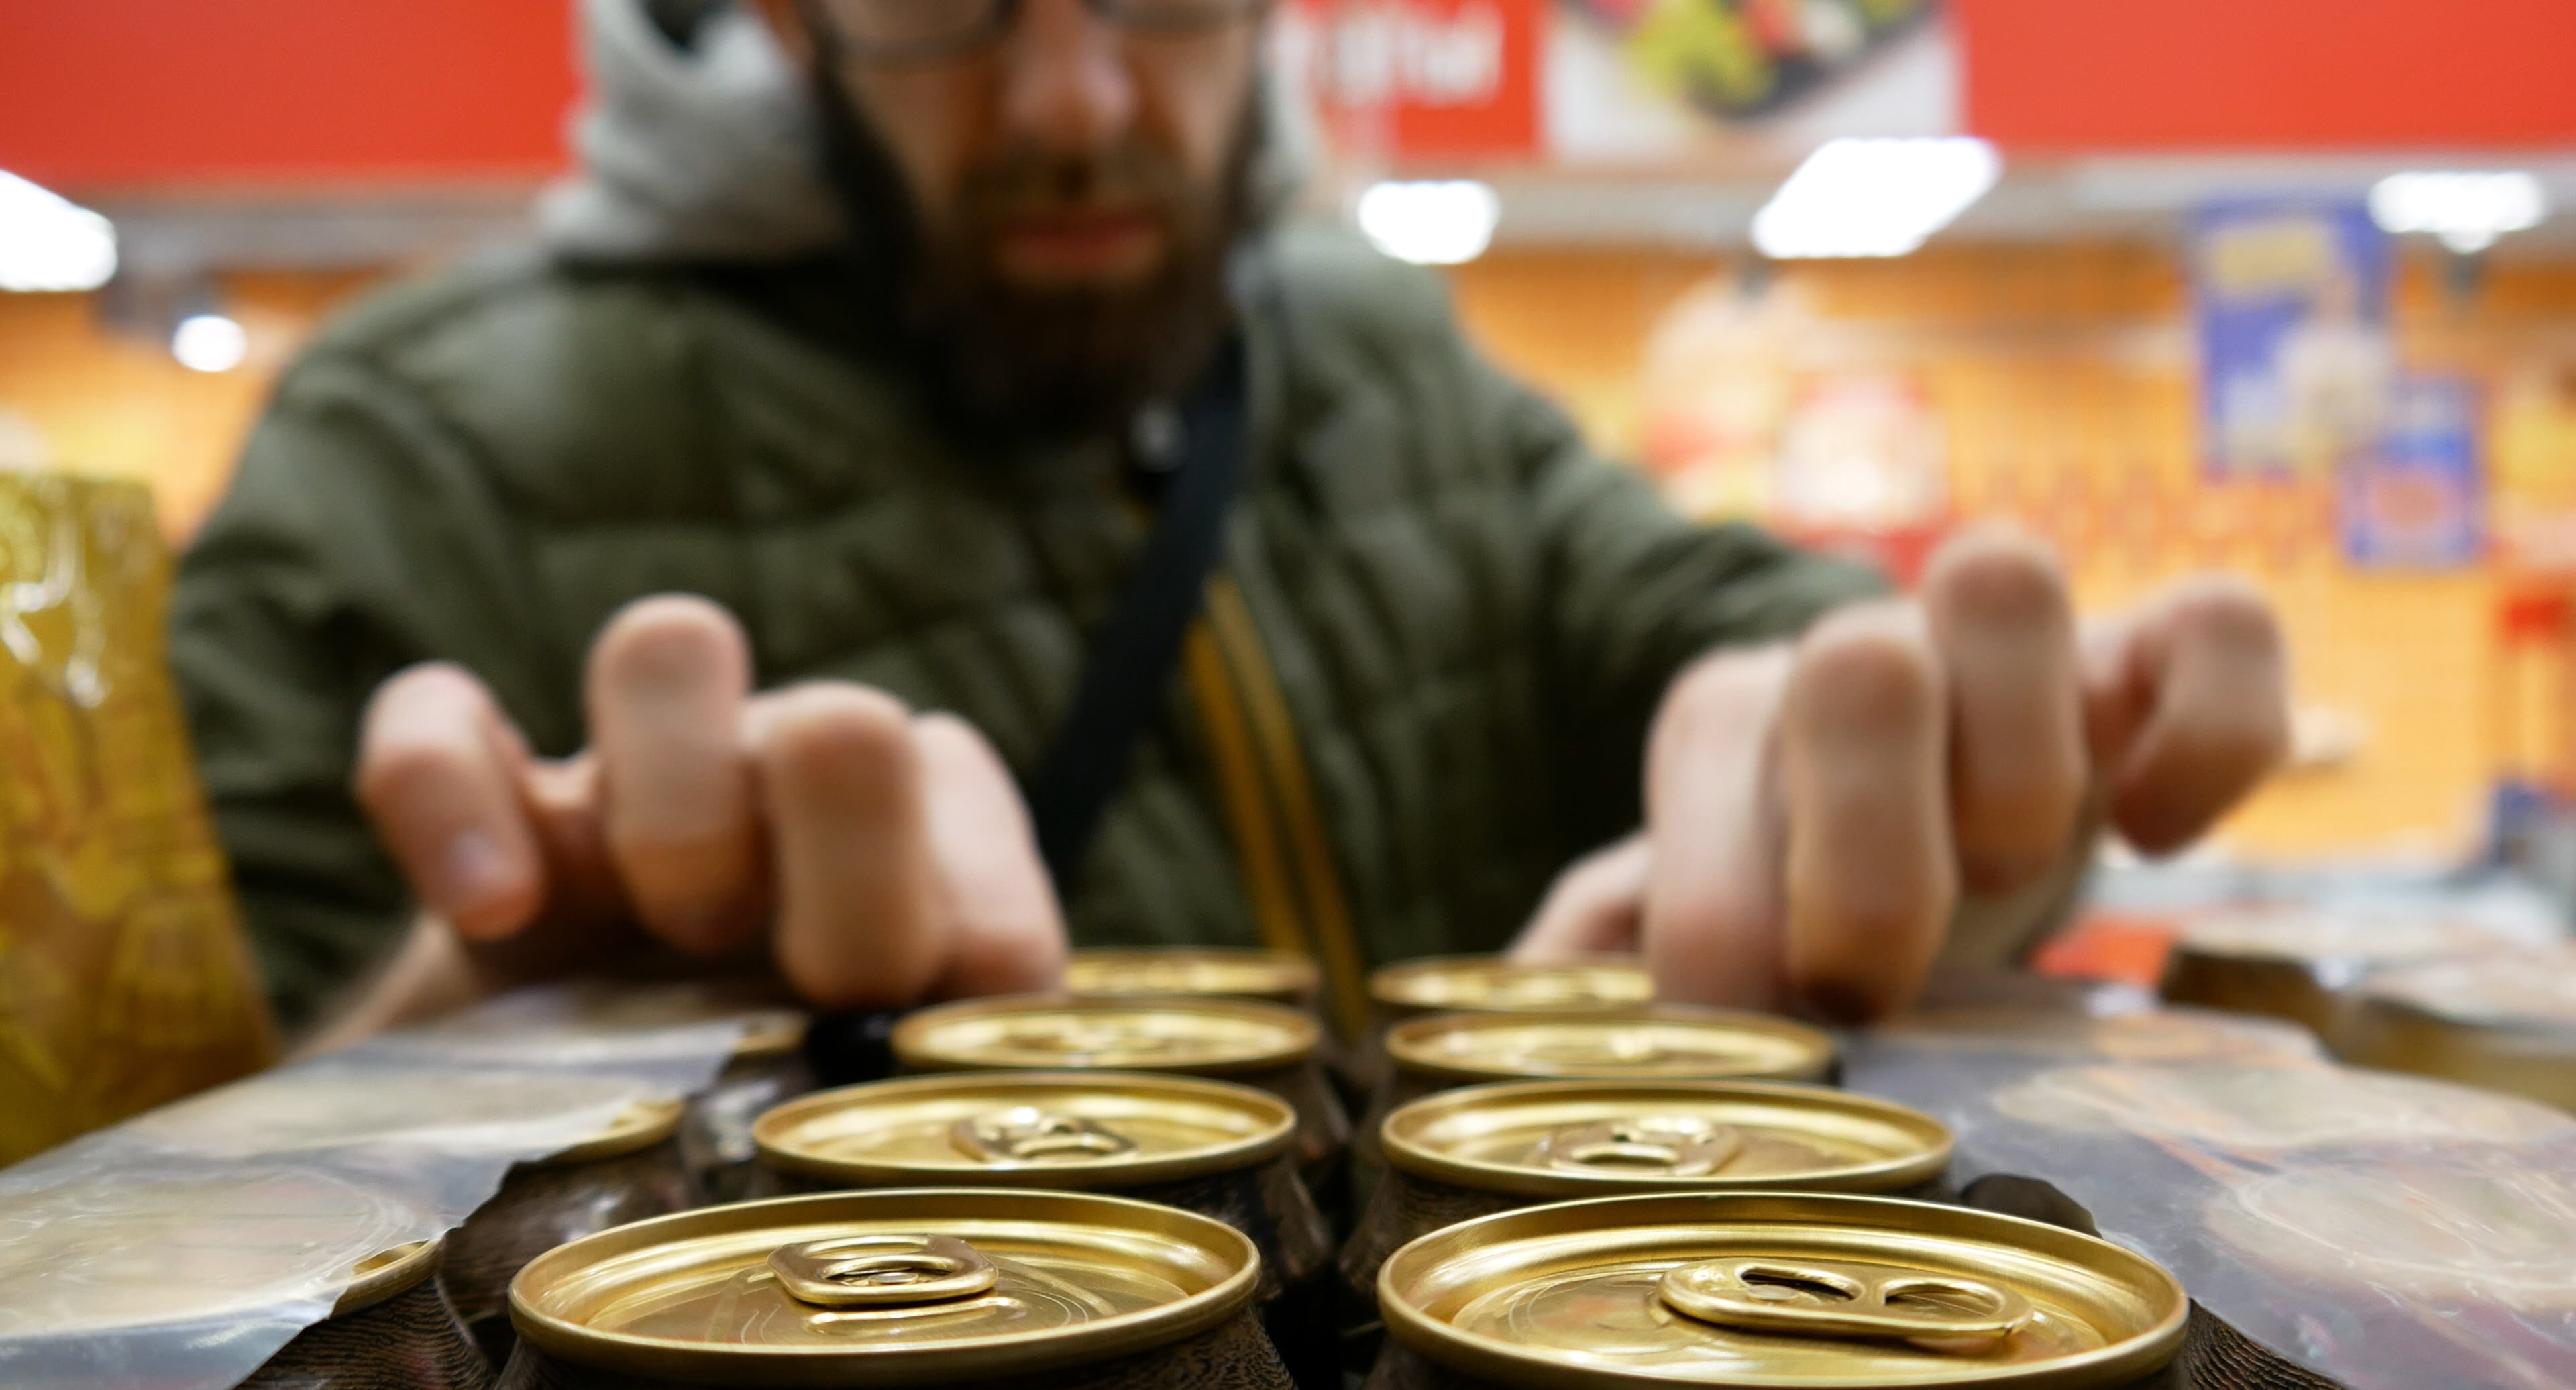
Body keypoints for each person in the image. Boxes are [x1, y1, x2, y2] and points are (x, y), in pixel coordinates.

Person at [170, 0, 2287, 1046]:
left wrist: (1896, 751)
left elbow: (1695, 612)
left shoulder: (1359, 341)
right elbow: (180, 1225)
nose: (1081, 99)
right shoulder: (408, 443)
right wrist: (452, 1061)